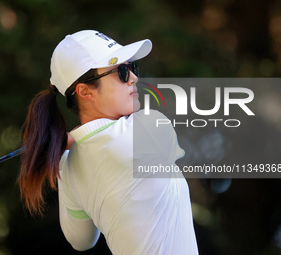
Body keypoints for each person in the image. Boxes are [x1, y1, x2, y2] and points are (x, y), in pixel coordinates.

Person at [18, 30, 199, 255]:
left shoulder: (69, 165)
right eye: (121, 71)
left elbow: (81, 240)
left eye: (132, 68)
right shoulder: (147, 127)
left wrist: (71, 151)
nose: (133, 77)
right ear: (84, 91)